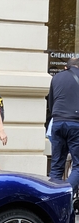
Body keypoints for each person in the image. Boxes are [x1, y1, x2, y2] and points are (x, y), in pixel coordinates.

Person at [48, 57, 79, 191]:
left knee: (56, 165)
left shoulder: (56, 77)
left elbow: (51, 102)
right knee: (78, 165)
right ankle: (66, 193)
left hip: (57, 121)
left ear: (67, 67)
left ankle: (53, 198)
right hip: (75, 123)